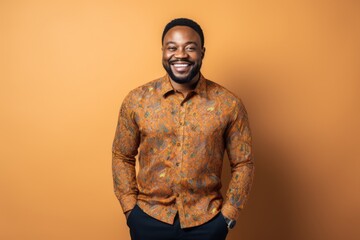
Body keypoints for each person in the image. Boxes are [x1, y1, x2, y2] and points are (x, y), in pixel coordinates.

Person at [112, 18, 254, 240]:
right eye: (172, 47)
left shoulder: (228, 104)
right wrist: (131, 210)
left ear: (202, 52)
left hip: (207, 222)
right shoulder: (137, 100)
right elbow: (122, 155)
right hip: (149, 219)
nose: (181, 54)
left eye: (190, 48)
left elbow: (243, 163)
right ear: (163, 52)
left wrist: (228, 216)